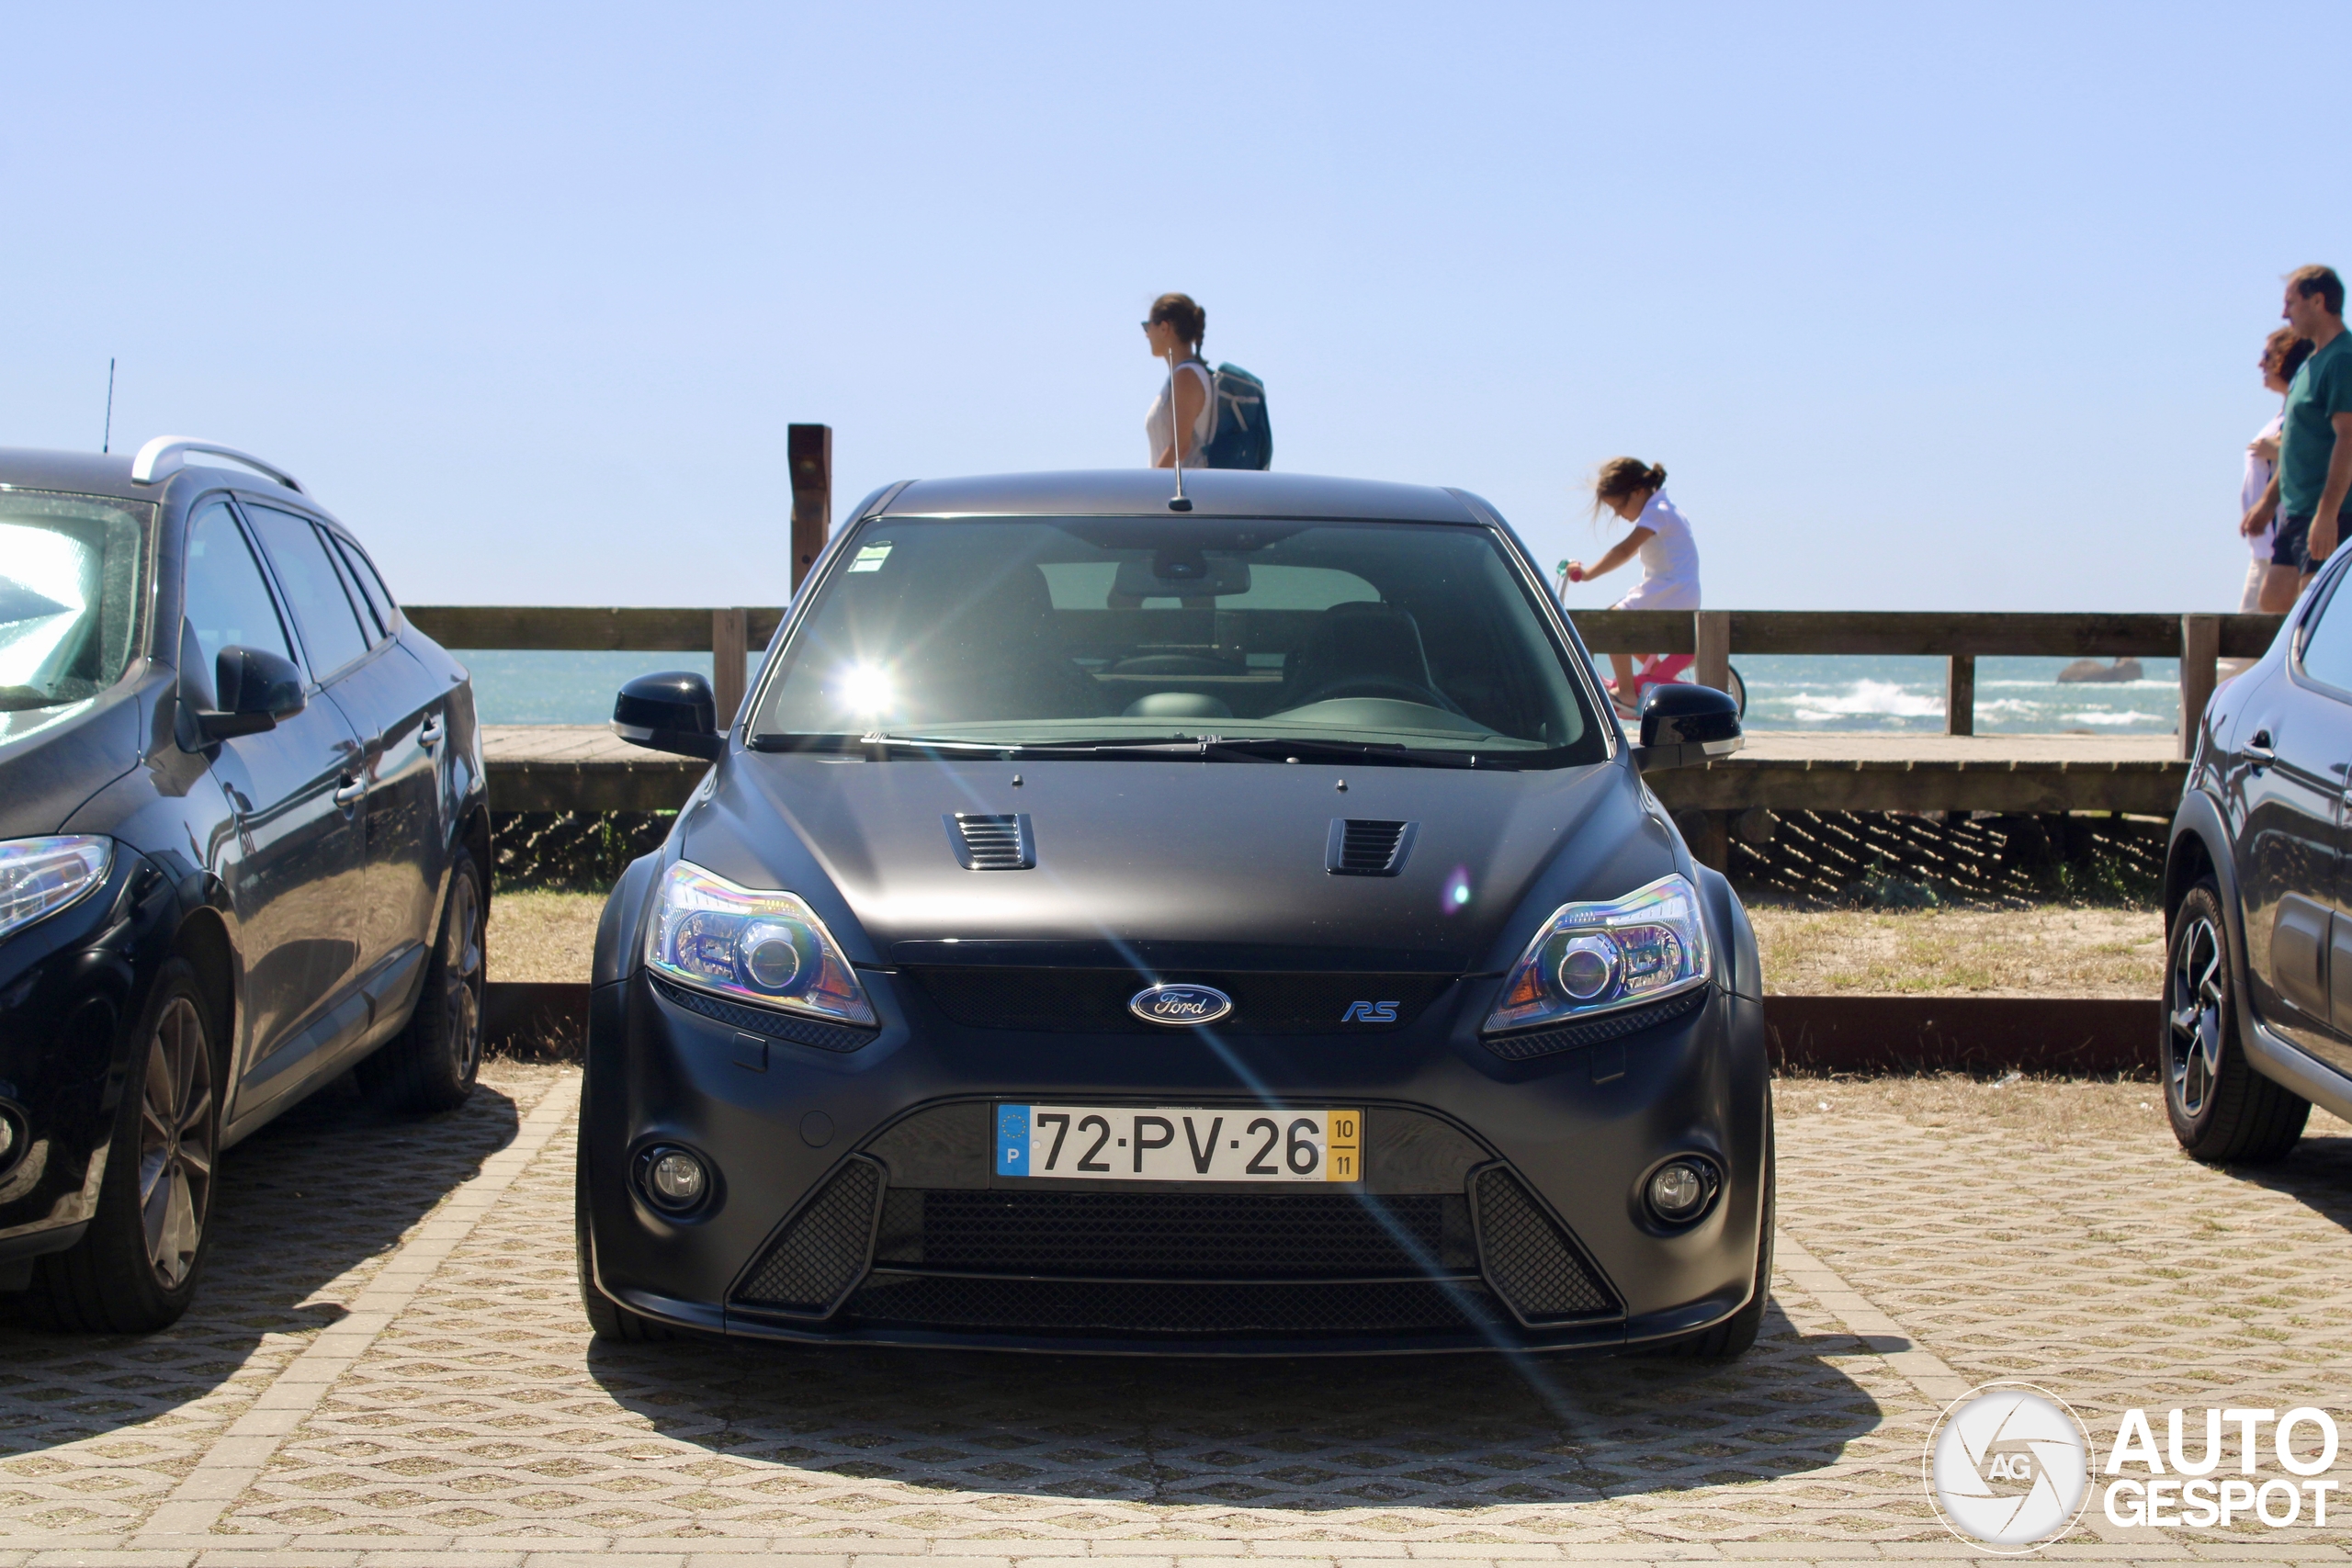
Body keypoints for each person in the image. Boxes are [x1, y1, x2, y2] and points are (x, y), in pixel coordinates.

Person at [2244, 265, 2352, 606]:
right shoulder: (2308, 364)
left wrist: (2327, 513)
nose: (2283, 313)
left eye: (2290, 302)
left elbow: (2348, 438)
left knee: (2315, 614)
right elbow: (2294, 443)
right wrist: (2267, 503)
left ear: (2318, 301)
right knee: (2272, 604)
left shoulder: (2342, 359)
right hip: (2295, 513)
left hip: (2330, 513)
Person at [1561, 457, 1702, 713]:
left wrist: (1588, 573)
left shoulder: (1657, 511)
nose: (1617, 514)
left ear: (1637, 492)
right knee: (1626, 628)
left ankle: (1626, 694)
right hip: (1676, 589)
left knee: (1615, 623)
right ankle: (1657, 675)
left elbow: (1625, 550)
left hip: (1671, 590)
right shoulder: (1665, 507)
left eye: (1617, 506)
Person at [2237, 328, 2312, 615]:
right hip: (2268, 547)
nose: (2261, 364)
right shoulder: (2285, 414)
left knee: (2243, 649)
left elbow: (2314, 457)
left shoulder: (2300, 415)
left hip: (2281, 548)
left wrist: (2280, 451)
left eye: (2268, 356)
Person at [1142, 292, 1212, 468]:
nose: (1147, 335)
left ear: (1164, 328)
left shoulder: (1186, 376)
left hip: (1183, 492)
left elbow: (1179, 448)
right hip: (1177, 491)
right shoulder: (1185, 374)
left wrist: (1150, 490)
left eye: (1147, 327)